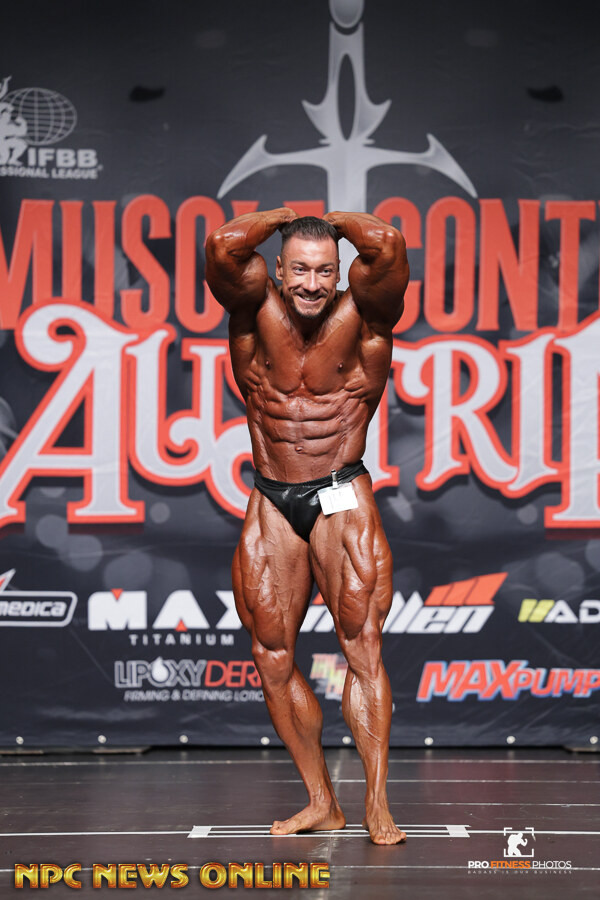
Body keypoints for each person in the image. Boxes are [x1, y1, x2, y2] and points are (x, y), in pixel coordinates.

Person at [205, 208, 409, 844]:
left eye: (325, 272)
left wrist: (335, 222)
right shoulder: (253, 312)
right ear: (279, 268)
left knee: (361, 646)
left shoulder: (366, 318)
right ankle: (322, 800)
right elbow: (222, 246)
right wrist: (283, 217)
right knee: (271, 657)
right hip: (271, 496)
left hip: (339, 492)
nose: (312, 284)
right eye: (300, 270)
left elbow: (387, 245)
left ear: (339, 272)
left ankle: (377, 802)